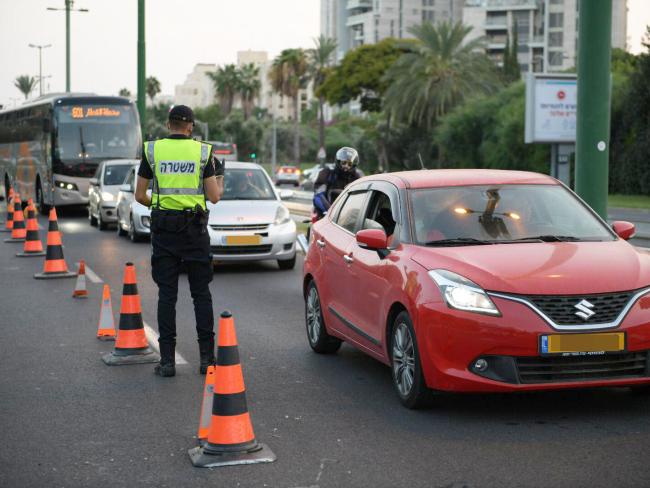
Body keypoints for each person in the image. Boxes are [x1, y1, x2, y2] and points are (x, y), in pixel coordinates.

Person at [135, 105, 224, 378]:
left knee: (167, 295)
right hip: (195, 231)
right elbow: (214, 196)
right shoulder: (202, 152)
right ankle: (207, 360)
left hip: (164, 229)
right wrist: (219, 179)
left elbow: (140, 195)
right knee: (201, 295)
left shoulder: (153, 150)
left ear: (168, 124)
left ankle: (167, 362)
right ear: (190, 127)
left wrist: (160, 204)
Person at [313, 146, 362, 219]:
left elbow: (360, 198)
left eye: (349, 164)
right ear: (338, 161)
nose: (346, 166)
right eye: (344, 163)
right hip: (326, 212)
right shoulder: (327, 172)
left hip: (348, 214)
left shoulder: (357, 177)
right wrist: (329, 212)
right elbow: (318, 195)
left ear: (353, 165)